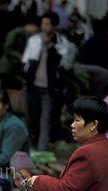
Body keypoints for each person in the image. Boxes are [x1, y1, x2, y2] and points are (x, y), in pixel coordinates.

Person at [22, 11, 74, 151]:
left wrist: (49, 47)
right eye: (42, 23)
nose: (44, 27)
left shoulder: (62, 44)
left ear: (54, 26)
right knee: (31, 120)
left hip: (49, 89)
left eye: (47, 24)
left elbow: (64, 65)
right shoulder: (34, 40)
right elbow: (26, 61)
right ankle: (29, 148)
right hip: (32, 87)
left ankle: (41, 151)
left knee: (45, 122)